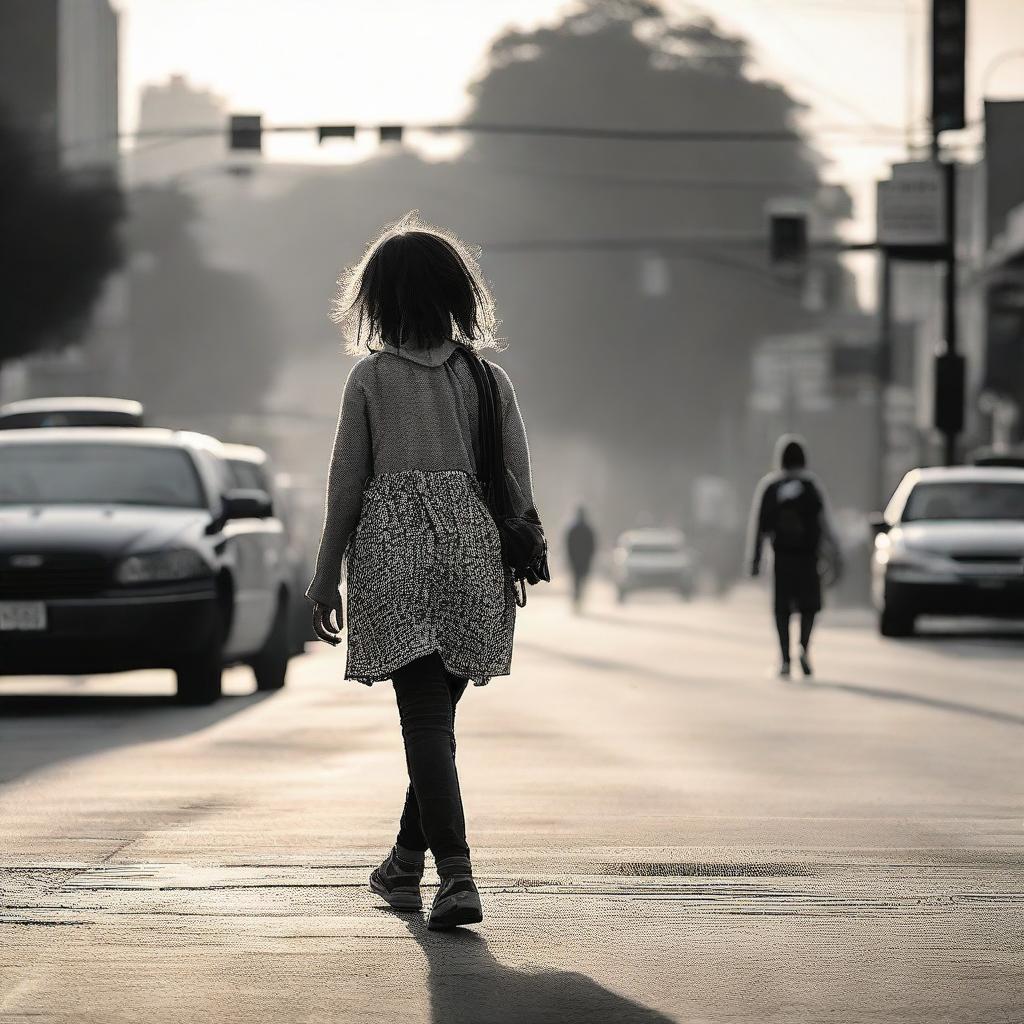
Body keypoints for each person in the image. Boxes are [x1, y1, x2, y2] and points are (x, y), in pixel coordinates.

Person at [306, 214, 540, 930]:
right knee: (433, 725)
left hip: (395, 556)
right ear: (454, 295)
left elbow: (347, 484)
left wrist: (324, 577)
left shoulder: (371, 379)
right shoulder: (487, 378)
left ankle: (458, 876)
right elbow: (517, 480)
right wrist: (521, 550)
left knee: (424, 723)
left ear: (378, 300)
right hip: (473, 557)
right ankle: (405, 864)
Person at [747, 435, 841, 679]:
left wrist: (755, 559)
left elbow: (760, 526)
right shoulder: (811, 486)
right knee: (809, 607)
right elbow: (825, 522)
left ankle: (785, 659)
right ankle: (804, 648)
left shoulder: (771, 487)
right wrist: (835, 554)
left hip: (782, 558)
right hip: (809, 557)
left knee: (782, 609)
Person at [565, 505, 597, 612]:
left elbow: (568, 545)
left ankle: (577, 600)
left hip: (575, 560)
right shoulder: (588, 529)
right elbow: (592, 546)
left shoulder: (573, 529)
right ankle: (578, 600)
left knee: (576, 581)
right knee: (581, 580)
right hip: (584, 560)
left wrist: (569, 557)